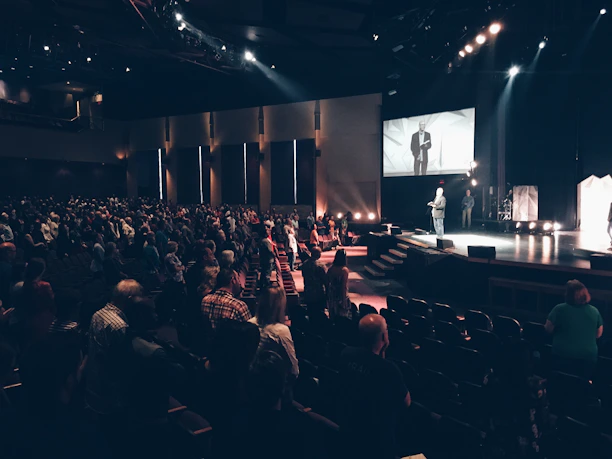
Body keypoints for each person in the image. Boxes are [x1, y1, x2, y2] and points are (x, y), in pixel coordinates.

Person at [339, 314, 411, 459]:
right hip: (379, 442)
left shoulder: (345, 354)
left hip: (350, 429)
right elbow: (406, 402)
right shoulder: (389, 369)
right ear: (384, 337)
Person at [86, 279, 144, 416]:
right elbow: (121, 363)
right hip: (110, 394)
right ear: (130, 299)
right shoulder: (119, 326)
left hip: (94, 387)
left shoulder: (98, 313)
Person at [545, 280, 604, 378]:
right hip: (587, 360)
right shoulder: (594, 311)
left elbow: (548, 329)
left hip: (562, 356)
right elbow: (598, 334)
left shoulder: (559, 309)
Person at [249, 287, 299, 380]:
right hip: (273, 380)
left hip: (251, 378)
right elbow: (293, 369)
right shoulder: (280, 331)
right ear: (280, 306)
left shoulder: (249, 323)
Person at [301, 247, 327, 312]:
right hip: (318, 292)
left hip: (308, 291)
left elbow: (303, 275)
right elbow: (325, 280)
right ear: (318, 255)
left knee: (310, 311)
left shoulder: (305, 263)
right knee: (319, 312)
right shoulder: (320, 266)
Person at [327, 249, 351, 319]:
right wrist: (344, 300)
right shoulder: (344, 270)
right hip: (340, 295)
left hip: (332, 294)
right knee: (342, 316)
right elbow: (343, 286)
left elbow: (327, 281)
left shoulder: (331, 268)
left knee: (333, 314)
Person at [0, 242, 16, 308]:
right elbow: (7, 288)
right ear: (8, 252)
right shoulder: (7, 268)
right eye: (14, 251)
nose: (15, 253)